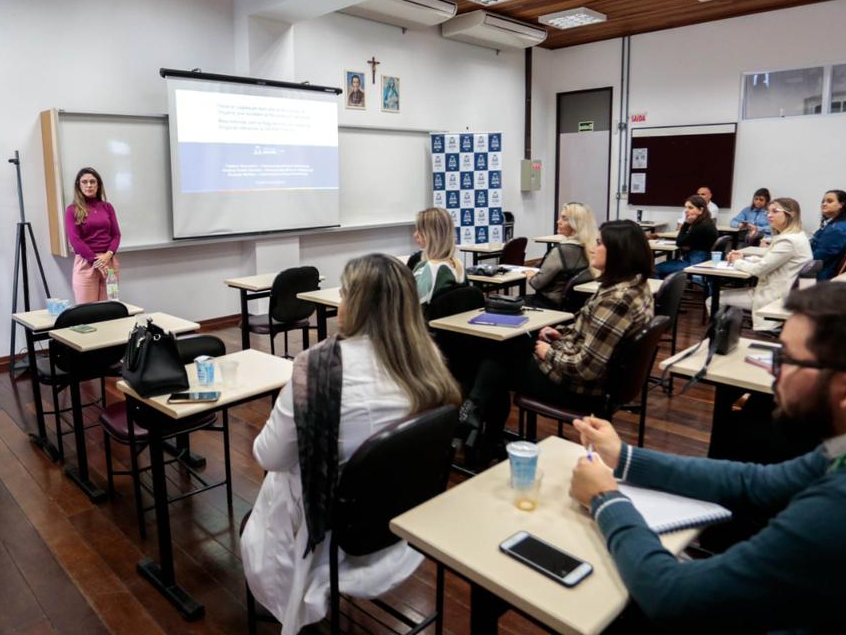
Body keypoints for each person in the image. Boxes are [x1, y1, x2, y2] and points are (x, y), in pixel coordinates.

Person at [567, 282, 846, 633]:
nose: (773, 371)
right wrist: (624, 457)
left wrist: (607, 500)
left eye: (788, 359)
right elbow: (756, 483)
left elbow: (674, 599)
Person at [241, 254, 461, 634]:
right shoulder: (428, 365)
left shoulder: (315, 371)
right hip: (403, 521)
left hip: (337, 535)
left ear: (355, 304)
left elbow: (267, 455)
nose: (339, 301)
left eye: (344, 293)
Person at [460, 221, 653, 450]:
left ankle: (477, 425)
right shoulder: (635, 287)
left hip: (580, 389)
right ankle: (479, 425)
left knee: (496, 360)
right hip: (597, 379)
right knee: (508, 347)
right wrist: (560, 335)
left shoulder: (616, 301)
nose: (592, 248)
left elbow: (586, 369)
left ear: (619, 252)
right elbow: (590, 334)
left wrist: (547, 352)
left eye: (599, 243)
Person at [723, 197, 814, 331]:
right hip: (786, 292)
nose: (769, 215)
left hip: (775, 296)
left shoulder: (788, 241)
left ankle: (723, 340)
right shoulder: (797, 235)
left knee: (714, 300)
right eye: (768, 212)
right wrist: (744, 258)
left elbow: (759, 269)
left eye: (775, 211)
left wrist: (737, 262)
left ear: (791, 214)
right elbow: (770, 261)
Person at [64, 167, 121, 304]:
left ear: (98, 185)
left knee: (109, 308)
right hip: (86, 263)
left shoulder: (107, 207)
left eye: (92, 181)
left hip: (109, 263)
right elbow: (75, 240)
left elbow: (116, 235)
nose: (88, 185)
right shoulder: (72, 210)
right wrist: (96, 261)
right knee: (88, 310)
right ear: (78, 185)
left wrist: (107, 256)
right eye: (84, 182)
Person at [525, 202, 597, 309]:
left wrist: (530, 276)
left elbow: (537, 283)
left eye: (564, 219)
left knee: (503, 304)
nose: (558, 221)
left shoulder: (561, 251)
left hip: (548, 305)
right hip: (574, 307)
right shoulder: (591, 248)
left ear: (575, 224)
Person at [410, 207, 464, 304]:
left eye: (419, 230)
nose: (415, 235)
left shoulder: (427, 268)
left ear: (431, 234)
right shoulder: (458, 264)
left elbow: (411, 305)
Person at [656, 195, 717, 277]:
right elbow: (685, 242)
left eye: (690, 208)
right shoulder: (706, 222)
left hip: (694, 264)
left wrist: (686, 224)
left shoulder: (700, 226)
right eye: (686, 207)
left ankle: (665, 285)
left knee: (654, 269)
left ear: (701, 210)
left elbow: (679, 242)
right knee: (664, 268)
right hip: (699, 261)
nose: (686, 210)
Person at [809, 189, 846, 280]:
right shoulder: (839, 224)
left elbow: (817, 258)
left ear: (841, 205)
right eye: (823, 201)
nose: (824, 204)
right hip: (825, 271)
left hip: (823, 276)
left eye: (829, 201)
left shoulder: (837, 229)